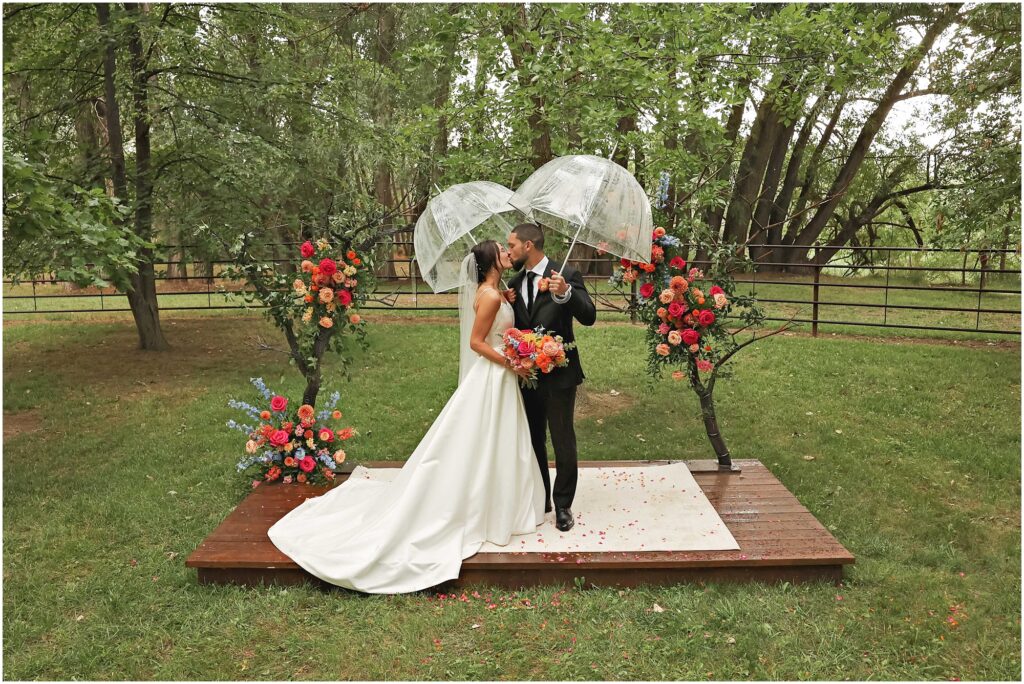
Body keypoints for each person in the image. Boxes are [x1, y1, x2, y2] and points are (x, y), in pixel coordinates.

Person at [267, 240, 545, 593]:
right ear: (492, 260)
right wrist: (512, 362)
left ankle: (493, 499)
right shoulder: (489, 296)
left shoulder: (489, 292)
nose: (508, 254)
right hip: (494, 375)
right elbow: (477, 342)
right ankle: (485, 507)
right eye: (502, 252)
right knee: (489, 438)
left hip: (496, 376)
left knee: (492, 440)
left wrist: (506, 309)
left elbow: (492, 325)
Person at [505, 223, 597, 532]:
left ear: (528, 246)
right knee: (533, 439)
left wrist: (566, 294)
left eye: (512, 246)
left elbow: (589, 315)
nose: (509, 252)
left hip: (560, 373)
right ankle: (541, 496)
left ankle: (562, 505)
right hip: (528, 374)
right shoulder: (514, 283)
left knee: (562, 437)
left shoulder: (566, 275)